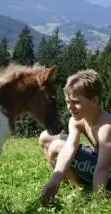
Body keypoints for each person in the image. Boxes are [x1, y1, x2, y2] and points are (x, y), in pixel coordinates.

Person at [39, 69, 111, 203]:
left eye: (76, 102)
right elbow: (70, 148)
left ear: (94, 100)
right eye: (68, 101)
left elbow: (103, 168)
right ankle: (71, 182)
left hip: (107, 172)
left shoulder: (106, 128)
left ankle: (84, 189)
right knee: (46, 137)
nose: (70, 107)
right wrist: (54, 181)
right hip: (97, 160)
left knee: (56, 147)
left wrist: (98, 202)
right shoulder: (76, 120)